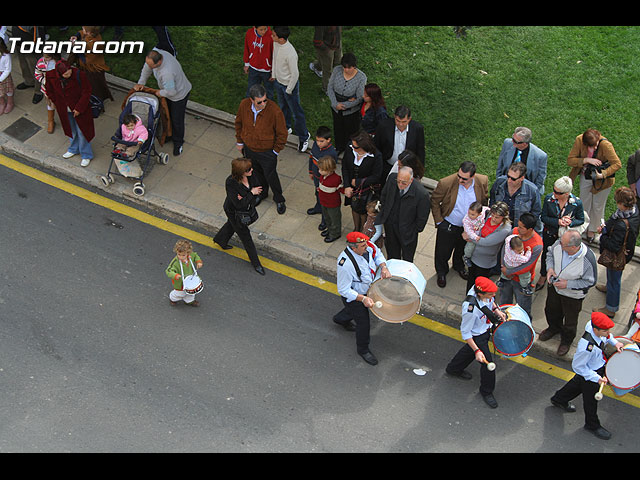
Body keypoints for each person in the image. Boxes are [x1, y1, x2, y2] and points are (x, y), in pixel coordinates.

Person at [550, 312, 624, 440]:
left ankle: (559, 399)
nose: (608, 332)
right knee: (591, 401)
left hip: (595, 368)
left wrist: (615, 343)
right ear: (596, 330)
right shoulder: (586, 348)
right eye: (605, 330)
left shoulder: (593, 326)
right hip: (591, 373)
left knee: (577, 384)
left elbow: (607, 337)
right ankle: (592, 425)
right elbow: (579, 367)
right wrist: (597, 378)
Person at [445, 276, 507, 409]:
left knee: (468, 351)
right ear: (480, 294)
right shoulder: (470, 310)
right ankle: (486, 391)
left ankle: (453, 369)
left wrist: (496, 310)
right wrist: (477, 350)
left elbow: (492, 301)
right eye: (490, 294)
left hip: (484, 329)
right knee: (488, 365)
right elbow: (466, 333)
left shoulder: (483, 291)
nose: (493, 296)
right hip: (477, 335)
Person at [334, 231, 391, 365]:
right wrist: (362, 299)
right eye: (363, 246)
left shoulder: (367, 246)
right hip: (356, 297)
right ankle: (363, 349)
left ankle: (340, 319)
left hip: (367, 290)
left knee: (350, 312)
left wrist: (383, 267)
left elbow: (378, 254)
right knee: (363, 324)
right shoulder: (345, 264)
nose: (367, 247)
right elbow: (343, 289)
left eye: (366, 244)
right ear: (353, 248)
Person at [539, 230, 598, 356]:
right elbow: (550, 254)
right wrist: (550, 268)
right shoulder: (559, 244)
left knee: (570, 321)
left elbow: (590, 281)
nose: (559, 244)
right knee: (551, 310)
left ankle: (566, 341)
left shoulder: (588, 259)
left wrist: (568, 284)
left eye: (563, 244)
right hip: (555, 289)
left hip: (573, 296)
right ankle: (553, 328)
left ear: (574, 247)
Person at [431, 161, 489, 288]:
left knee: (462, 249)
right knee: (443, 251)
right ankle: (441, 271)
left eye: (464, 178)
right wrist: (440, 221)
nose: (460, 180)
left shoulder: (482, 181)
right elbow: (435, 201)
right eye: (459, 176)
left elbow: (484, 200)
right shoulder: (446, 183)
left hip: (469, 226)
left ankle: (458, 266)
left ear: (472, 177)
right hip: (449, 224)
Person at [235, 83, 289, 214]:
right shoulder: (244, 105)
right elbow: (239, 123)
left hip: (267, 152)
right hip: (249, 148)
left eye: (265, 100)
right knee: (255, 174)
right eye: (260, 102)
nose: (263, 104)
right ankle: (262, 193)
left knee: (271, 175)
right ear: (251, 100)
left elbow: (282, 133)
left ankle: (279, 198)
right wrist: (240, 141)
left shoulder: (275, 111)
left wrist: (275, 151)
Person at [567, 128, 622, 243]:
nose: (595, 147)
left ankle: (592, 230)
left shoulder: (606, 145)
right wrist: (586, 160)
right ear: (585, 144)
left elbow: (617, 164)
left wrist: (603, 174)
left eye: (596, 144)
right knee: (584, 202)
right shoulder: (579, 140)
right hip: (586, 176)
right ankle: (582, 226)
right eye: (592, 146)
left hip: (603, 181)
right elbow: (570, 160)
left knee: (598, 206)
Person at [213, 157, 266, 276]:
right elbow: (238, 204)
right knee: (245, 237)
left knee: (231, 225)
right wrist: (251, 193)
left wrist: (246, 197)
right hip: (234, 212)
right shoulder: (231, 182)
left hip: (246, 209)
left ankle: (220, 239)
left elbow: (259, 190)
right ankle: (256, 264)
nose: (252, 170)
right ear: (241, 172)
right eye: (248, 169)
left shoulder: (252, 175)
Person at [134, 48, 192, 156]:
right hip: (168, 91)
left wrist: (159, 93)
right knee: (167, 115)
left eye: (152, 66)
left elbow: (171, 92)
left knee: (176, 119)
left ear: (159, 62)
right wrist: (141, 82)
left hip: (178, 95)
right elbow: (146, 69)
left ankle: (178, 142)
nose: (149, 67)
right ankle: (169, 135)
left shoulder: (167, 73)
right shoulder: (155, 54)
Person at [593, 187, 640, 318]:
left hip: (618, 256)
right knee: (612, 276)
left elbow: (613, 246)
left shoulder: (621, 225)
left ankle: (611, 308)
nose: (616, 204)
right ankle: (609, 288)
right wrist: (606, 227)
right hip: (626, 252)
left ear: (623, 204)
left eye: (617, 202)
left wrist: (603, 236)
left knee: (615, 279)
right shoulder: (633, 212)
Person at [536, 176, 586, 291]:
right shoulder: (549, 200)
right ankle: (543, 275)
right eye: (554, 190)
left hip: (565, 237)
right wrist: (557, 222)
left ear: (567, 193)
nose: (554, 194)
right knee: (546, 255)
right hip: (550, 233)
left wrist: (570, 222)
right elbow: (543, 217)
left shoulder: (576, 203)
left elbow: (581, 219)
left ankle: (559, 274)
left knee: (563, 255)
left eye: (558, 192)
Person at [374, 166, 431, 262]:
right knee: (392, 255)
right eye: (398, 181)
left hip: (407, 232)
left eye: (404, 183)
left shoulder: (422, 194)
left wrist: (413, 230)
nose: (400, 185)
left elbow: (422, 218)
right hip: (390, 226)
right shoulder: (392, 178)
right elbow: (384, 196)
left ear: (411, 180)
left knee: (407, 259)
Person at [45, 59, 95, 167]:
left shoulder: (79, 74)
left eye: (69, 71)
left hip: (79, 108)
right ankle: (74, 149)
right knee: (71, 129)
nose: (68, 74)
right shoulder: (50, 76)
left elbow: (87, 91)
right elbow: (49, 90)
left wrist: (79, 108)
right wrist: (56, 102)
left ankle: (86, 155)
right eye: (65, 73)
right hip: (64, 109)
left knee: (82, 131)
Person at [271, 26, 310, 152]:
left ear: (281, 39)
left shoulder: (290, 53)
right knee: (283, 107)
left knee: (296, 112)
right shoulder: (276, 44)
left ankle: (304, 136)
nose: (271, 36)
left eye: (274, 35)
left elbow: (295, 74)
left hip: (289, 86)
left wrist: (289, 89)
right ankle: (287, 127)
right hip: (279, 82)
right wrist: (274, 75)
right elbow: (274, 58)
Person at [497, 212, 543, 319]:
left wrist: (508, 272)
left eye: (522, 228)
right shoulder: (514, 232)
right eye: (519, 225)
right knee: (504, 304)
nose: (518, 229)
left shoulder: (537, 245)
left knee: (523, 310)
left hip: (521, 281)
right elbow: (505, 249)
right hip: (506, 276)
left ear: (530, 229)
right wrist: (503, 266)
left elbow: (528, 265)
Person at [463, 201, 512, 292]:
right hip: (474, 254)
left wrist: (470, 237)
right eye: (492, 215)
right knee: (471, 278)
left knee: (480, 283)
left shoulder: (505, 229)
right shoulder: (487, 215)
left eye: (497, 217)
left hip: (484, 261)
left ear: (504, 217)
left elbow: (486, 242)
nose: (493, 218)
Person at [341, 130, 383, 232]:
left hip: (366, 189)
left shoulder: (376, 156)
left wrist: (359, 182)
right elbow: (345, 167)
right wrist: (346, 185)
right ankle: (356, 229)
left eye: (355, 147)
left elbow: (377, 176)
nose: (352, 147)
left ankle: (363, 232)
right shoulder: (350, 148)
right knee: (354, 207)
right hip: (352, 187)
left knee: (364, 211)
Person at [327, 53, 367, 155]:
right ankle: (339, 147)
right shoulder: (337, 70)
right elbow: (330, 87)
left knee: (351, 131)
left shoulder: (361, 78)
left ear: (354, 66)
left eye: (349, 68)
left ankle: (350, 150)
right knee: (338, 128)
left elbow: (359, 98)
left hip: (351, 111)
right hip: (336, 107)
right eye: (344, 67)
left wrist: (344, 105)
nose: (346, 70)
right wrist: (335, 104)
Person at [374, 105, 426, 184]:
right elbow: (377, 146)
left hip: (407, 168)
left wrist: (419, 171)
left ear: (409, 119)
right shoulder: (384, 126)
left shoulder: (417, 129)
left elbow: (420, 150)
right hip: (387, 166)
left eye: (404, 122)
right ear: (394, 117)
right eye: (398, 121)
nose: (400, 124)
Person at [490, 162, 542, 233]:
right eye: (508, 176)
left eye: (513, 179)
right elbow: (492, 199)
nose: (509, 180)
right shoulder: (499, 182)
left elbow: (535, 213)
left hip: (517, 230)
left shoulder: (532, 191)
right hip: (497, 226)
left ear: (522, 178)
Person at [496, 126, 548, 195]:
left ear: (524, 144)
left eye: (515, 141)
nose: (512, 141)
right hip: (507, 182)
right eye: (513, 138)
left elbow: (540, 178)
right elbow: (500, 164)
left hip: (526, 188)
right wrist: (499, 180)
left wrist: (533, 193)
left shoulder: (540, 156)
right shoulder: (507, 143)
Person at [68, 26, 113, 104]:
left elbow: (87, 59)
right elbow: (81, 33)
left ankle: (96, 102)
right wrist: (76, 36)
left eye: (84, 29)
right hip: (86, 66)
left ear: (89, 33)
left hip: (92, 68)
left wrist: (76, 47)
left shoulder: (94, 43)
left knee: (94, 87)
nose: (82, 30)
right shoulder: (91, 35)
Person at [307, 126, 338, 229]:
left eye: (321, 141)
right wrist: (311, 171)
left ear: (328, 140)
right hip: (316, 176)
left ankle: (325, 219)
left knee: (324, 198)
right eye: (317, 140)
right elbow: (311, 158)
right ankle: (318, 207)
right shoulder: (315, 146)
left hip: (325, 180)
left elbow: (331, 169)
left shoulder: (331, 153)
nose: (318, 143)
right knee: (317, 193)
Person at [11, 26, 45, 104]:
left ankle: (38, 90)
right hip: (19, 39)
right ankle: (29, 81)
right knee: (23, 64)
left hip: (32, 43)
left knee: (35, 67)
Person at [165, 239, 203, 307]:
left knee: (191, 293)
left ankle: (189, 301)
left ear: (188, 253)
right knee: (180, 293)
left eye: (183, 255)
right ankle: (173, 298)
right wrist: (175, 275)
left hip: (190, 278)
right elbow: (168, 271)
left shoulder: (191, 255)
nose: (180, 257)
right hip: (180, 282)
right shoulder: (175, 262)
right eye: (179, 254)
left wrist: (198, 262)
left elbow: (196, 256)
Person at [317, 155, 344, 243]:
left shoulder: (336, 179)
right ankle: (330, 230)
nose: (319, 171)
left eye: (321, 170)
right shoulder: (322, 176)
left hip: (333, 204)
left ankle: (335, 233)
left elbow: (341, 188)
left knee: (334, 219)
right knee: (327, 217)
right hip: (324, 201)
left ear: (329, 170)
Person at [243, 26, 274, 100]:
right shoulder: (249, 33)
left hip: (267, 70)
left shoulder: (271, 36)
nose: (263, 32)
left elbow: (274, 55)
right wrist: (246, 64)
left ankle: (269, 108)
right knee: (251, 90)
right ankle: (249, 107)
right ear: (255, 28)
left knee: (269, 91)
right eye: (261, 30)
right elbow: (246, 48)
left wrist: (274, 71)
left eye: (265, 29)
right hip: (253, 68)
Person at [309, 26, 342, 93]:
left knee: (337, 61)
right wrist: (327, 50)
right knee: (327, 69)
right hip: (327, 48)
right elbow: (317, 42)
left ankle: (317, 66)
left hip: (336, 43)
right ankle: (326, 88)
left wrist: (337, 42)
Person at [34, 51, 60, 133]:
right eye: (44, 56)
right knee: (50, 103)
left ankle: (65, 119)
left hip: (59, 88)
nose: (45, 59)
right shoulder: (40, 63)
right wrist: (45, 81)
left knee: (60, 104)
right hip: (47, 88)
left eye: (48, 57)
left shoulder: (58, 62)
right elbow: (37, 74)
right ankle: (50, 121)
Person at [462, 201, 491, 268]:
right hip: (472, 236)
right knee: (470, 247)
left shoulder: (483, 211)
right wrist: (475, 237)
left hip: (481, 232)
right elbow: (468, 231)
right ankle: (467, 257)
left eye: (472, 214)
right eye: (469, 213)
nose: (469, 215)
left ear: (479, 214)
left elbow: (487, 209)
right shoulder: (466, 220)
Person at [0, 38, 14, 114]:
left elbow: (8, 69)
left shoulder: (6, 56)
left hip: (3, 75)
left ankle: (10, 102)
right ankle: (2, 103)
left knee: (8, 90)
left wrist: (0, 79)